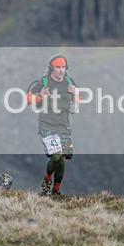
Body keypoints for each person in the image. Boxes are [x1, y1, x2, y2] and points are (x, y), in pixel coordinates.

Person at [26, 54, 80, 197]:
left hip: (64, 127)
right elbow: (28, 100)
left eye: (63, 67)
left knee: (62, 160)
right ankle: (47, 180)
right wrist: (41, 96)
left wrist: (76, 93)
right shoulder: (43, 82)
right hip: (47, 125)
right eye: (58, 67)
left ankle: (56, 191)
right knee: (56, 156)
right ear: (51, 69)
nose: (61, 70)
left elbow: (76, 107)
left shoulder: (70, 82)